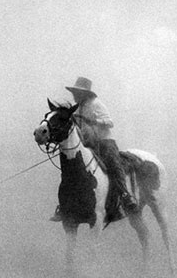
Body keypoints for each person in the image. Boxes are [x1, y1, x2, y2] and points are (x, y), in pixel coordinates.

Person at [50, 77, 138, 221]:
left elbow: (110, 122)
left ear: (85, 93)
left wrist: (95, 121)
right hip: (88, 144)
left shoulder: (97, 104)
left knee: (113, 165)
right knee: (71, 170)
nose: (75, 94)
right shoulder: (76, 108)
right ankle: (65, 205)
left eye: (78, 92)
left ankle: (125, 195)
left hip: (105, 142)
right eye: (74, 92)